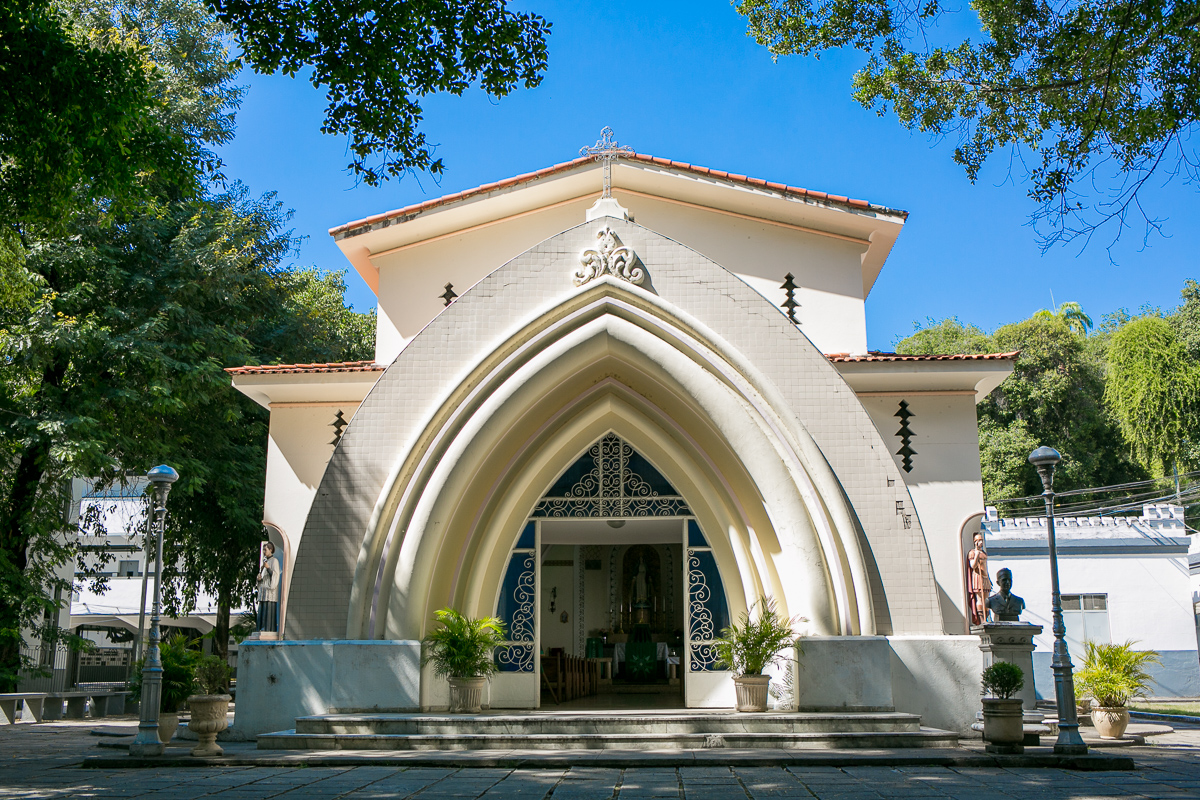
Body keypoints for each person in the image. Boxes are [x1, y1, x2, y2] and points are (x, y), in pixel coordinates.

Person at [966, 532, 992, 625]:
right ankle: (981, 620)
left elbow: (985, 566)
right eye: (978, 540)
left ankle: (987, 617)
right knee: (980, 599)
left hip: (985, 577)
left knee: (986, 599)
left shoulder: (984, 553)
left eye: (981, 540)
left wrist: (988, 578)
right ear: (975, 542)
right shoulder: (972, 553)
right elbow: (973, 565)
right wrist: (976, 554)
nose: (981, 542)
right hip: (978, 577)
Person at [257, 541, 282, 633]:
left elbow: (275, 575)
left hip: (270, 590)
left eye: (265, 550)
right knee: (262, 611)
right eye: (263, 550)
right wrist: (259, 578)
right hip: (264, 589)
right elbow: (262, 575)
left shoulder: (274, 561)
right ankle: (260, 627)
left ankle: (267, 628)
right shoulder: (265, 562)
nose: (264, 552)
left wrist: (268, 568)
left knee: (268, 611)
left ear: (270, 550)